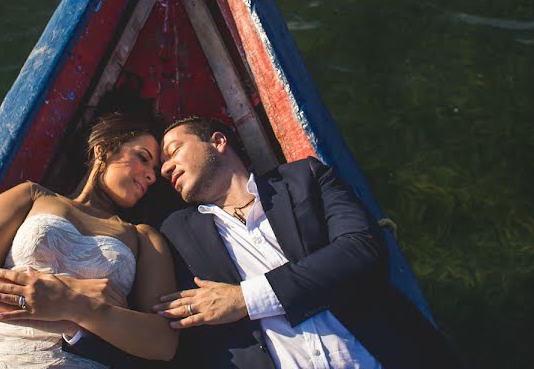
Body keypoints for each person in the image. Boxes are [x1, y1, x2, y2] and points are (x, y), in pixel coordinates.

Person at [152, 116, 460, 369]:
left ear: (218, 142)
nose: (165, 168)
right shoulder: (176, 234)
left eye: (175, 150)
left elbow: (362, 250)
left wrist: (245, 299)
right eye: (161, 165)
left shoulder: (304, 178)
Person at [0, 110, 178, 368]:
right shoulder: (32, 196)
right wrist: (67, 288)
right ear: (104, 149)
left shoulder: (143, 237)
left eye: (155, 170)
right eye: (142, 158)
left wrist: (78, 306)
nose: (151, 175)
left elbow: (163, 342)